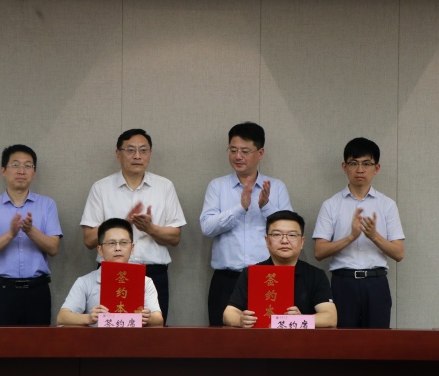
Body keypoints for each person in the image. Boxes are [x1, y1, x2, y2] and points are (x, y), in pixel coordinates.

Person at [80, 129, 185, 323]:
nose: (137, 156)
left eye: (143, 150)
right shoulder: (101, 188)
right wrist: (123, 222)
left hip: (153, 274)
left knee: (153, 333)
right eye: (130, 150)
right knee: (111, 332)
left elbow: (175, 237)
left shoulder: (165, 187)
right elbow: (88, 240)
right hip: (112, 274)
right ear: (118, 154)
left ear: (150, 154)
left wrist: (150, 229)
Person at [201, 122, 293, 326]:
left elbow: (289, 233)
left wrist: (266, 207)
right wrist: (240, 208)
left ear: (260, 153)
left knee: (268, 337)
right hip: (226, 279)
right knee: (221, 339)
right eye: (233, 150)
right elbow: (207, 228)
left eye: (244, 151)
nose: (237, 156)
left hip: (267, 278)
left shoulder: (277, 187)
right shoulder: (217, 186)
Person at [313, 137, 405, 328]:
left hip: (376, 283)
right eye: (353, 163)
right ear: (344, 167)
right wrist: (351, 237)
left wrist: (374, 236)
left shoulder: (387, 205)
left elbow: (399, 253)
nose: (360, 169)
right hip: (343, 283)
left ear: (376, 168)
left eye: (366, 164)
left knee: (378, 342)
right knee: (343, 342)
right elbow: (319, 252)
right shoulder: (331, 205)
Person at [0, 144, 62, 326]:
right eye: (15, 165)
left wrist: (30, 231)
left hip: (37, 291)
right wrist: (10, 234)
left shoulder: (47, 205)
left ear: (34, 172)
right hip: (0, 292)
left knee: (38, 343)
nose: (22, 170)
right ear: (3, 170)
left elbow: (53, 248)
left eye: (28, 166)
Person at [223, 210, 337, 328]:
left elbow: (330, 317)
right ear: (267, 241)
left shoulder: (316, 275)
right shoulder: (252, 273)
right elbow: (228, 314)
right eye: (277, 235)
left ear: (302, 242)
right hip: (260, 338)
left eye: (292, 235)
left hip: (301, 339)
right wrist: (240, 320)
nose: (284, 241)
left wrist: (300, 320)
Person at [57, 218, 163, 327]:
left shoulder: (145, 282)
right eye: (111, 243)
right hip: (97, 337)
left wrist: (147, 317)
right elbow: (62, 317)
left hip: (132, 337)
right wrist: (89, 318)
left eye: (124, 243)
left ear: (132, 248)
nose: (118, 248)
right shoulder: (85, 282)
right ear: (100, 249)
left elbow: (158, 319)